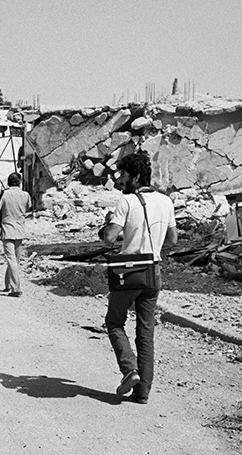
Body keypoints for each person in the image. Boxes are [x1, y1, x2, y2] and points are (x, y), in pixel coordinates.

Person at [101, 152, 177, 405]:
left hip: (129, 272)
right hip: (154, 271)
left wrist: (108, 224)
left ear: (135, 176)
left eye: (123, 175)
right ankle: (142, 392)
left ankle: (129, 370)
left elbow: (109, 238)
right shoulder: (166, 201)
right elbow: (172, 240)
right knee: (145, 333)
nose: (120, 180)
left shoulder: (127, 202)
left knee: (114, 322)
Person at [0, 173, 33, 297]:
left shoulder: (4, 194)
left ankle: (16, 288)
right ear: (20, 182)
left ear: (8, 182)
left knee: (11, 259)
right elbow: (28, 208)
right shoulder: (26, 195)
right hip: (20, 230)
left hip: (7, 229)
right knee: (14, 260)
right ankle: (8, 285)